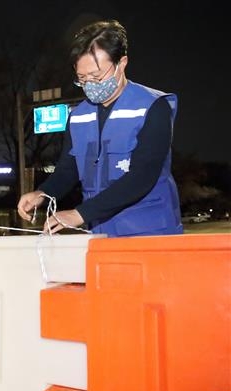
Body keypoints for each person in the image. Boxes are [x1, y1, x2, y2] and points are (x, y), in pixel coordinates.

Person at [17, 19, 183, 237]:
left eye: (96, 76)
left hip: (149, 232)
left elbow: (142, 176)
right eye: (82, 79)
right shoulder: (78, 116)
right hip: (99, 232)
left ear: (121, 63)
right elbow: (69, 169)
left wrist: (80, 214)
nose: (90, 85)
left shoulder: (153, 107)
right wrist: (44, 193)